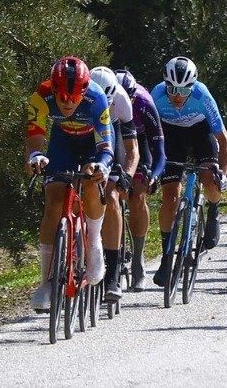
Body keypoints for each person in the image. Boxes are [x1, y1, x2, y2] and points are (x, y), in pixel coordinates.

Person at [25, 57, 112, 313]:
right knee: (53, 200)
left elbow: (106, 147)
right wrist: (34, 156)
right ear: (53, 89)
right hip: (62, 142)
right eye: (61, 97)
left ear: (84, 92)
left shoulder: (97, 99)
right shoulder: (41, 96)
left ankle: (94, 242)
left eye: (73, 98)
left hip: (91, 146)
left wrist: (102, 166)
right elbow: (34, 138)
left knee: (91, 183)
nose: (67, 103)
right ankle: (46, 282)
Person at [150, 57, 227, 286]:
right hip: (170, 134)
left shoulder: (202, 96)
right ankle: (167, 257)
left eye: (184, 89)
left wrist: (222, 174)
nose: (177, 95)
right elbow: (147, 136)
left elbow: (224, 142)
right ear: (165, 84)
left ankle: (213, 210)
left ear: (193, 86)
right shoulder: (156, 95)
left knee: (210, 180)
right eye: (172, 89)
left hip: (200, 132)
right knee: (169, 196)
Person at [88, 66, 140, 304]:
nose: (104, 106)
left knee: (110, 196)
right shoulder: (84, 95)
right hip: (86, 133)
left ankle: (113, 274)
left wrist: (127, 175)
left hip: (113, 137)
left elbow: (131, 150)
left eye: (107, 102)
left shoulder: (121, 102)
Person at [116, 69, 166, 291]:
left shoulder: (145, 103)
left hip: (140, 142)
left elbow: (160, 151)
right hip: (114, 139)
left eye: (130, 98)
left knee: (138, 192)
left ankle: (138, 260)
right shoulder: (104, 99)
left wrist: (153, 175)